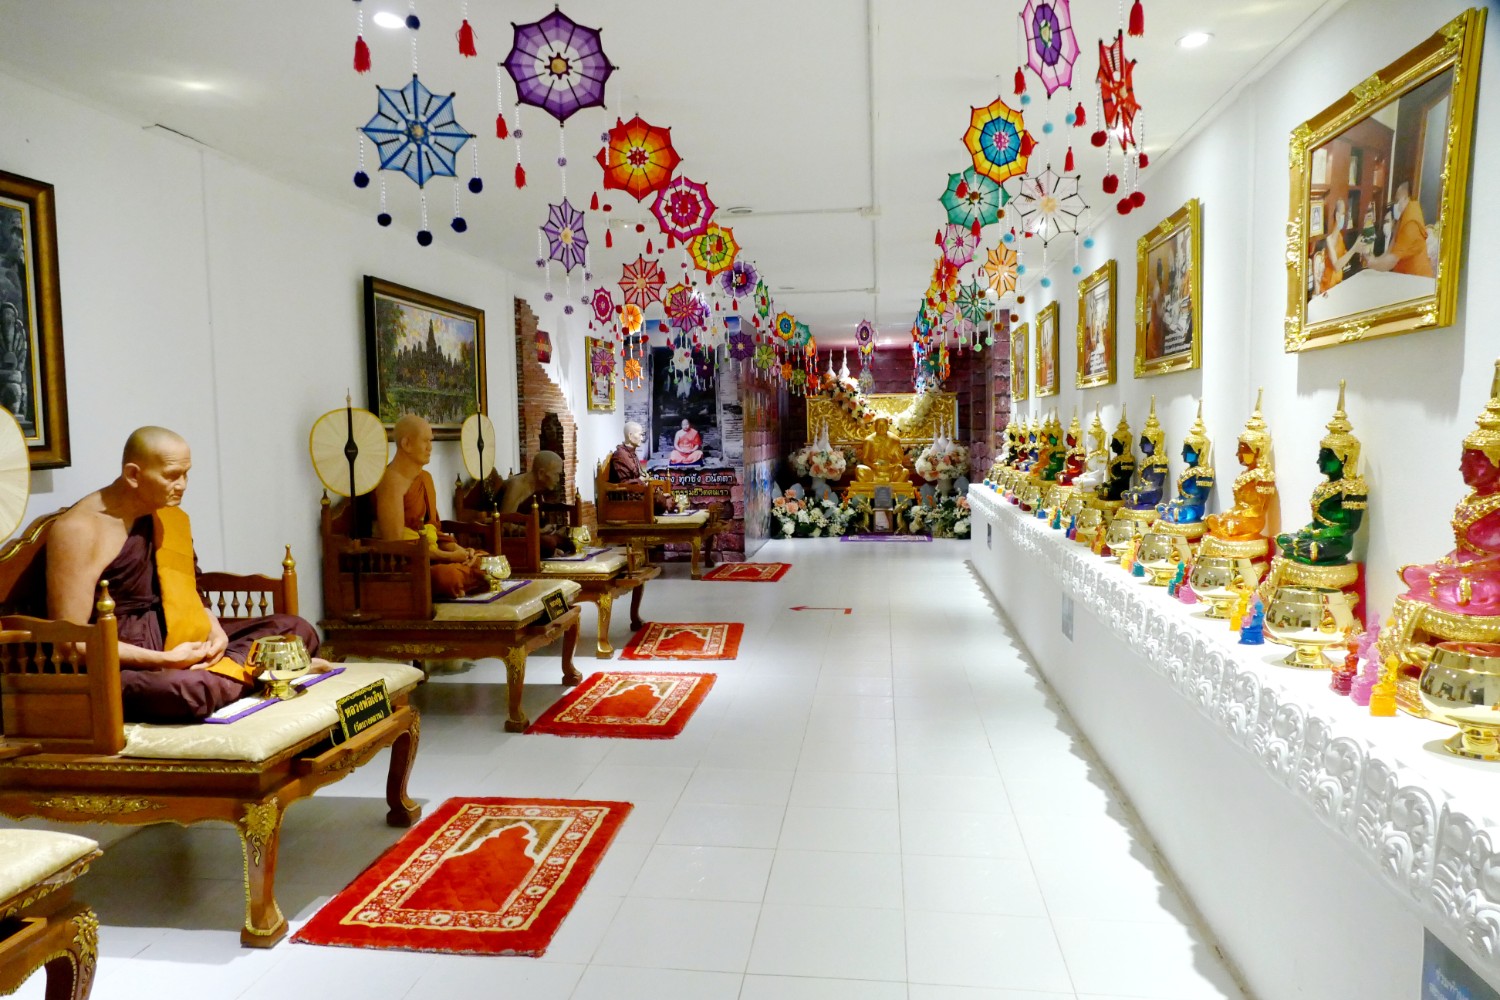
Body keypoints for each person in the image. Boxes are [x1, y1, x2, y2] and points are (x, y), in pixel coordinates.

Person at [46, 426, 326, 724]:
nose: (182, 485)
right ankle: (266, 673)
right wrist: (165, 660)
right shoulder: (79, 530)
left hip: (181, 636)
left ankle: (248, 673)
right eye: (171, 476)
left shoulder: (163, 514)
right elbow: (70, 642)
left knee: (295, 629)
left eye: (186, 474)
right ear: (133, 475)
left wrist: (215, 632)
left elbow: (190, 588)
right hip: (125, 660)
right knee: (188, 690)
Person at [374, 414, 485, 599]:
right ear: (406, 444)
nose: (430, 447)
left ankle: (464, 580)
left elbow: (434, 530)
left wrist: (459, 550)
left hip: (433, 554)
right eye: (425, 441)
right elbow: (396, 545)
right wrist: (448, 557)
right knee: (446, 577)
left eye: (431, 441)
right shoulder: (391, 482)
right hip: (409, 563)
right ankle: (465, 581)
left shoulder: (425, 478)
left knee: (486, 560)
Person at [499, 451, 569, 556]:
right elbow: (504, 525)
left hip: (529, 534)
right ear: (541, 473)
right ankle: (550, 551)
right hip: (510, 539)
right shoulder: (517, 486)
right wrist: (539, 531)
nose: (558, 479)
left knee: (566, 541)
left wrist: (547, 529)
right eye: (556, 474)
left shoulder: (537, 488)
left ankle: (551, 550)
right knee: (548, 543)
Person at [1360, 180, 1433, 277]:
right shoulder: (1403, 216)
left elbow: (1391, 261)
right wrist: (1374, 260)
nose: (1395, 205)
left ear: (1405, 198)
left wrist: (1372, 263)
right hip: (1404, 275)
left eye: (1397, 201)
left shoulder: (1411, 223)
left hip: (1417, 278)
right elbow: (1390, 251)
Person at [608, 421, 675, 513]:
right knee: (661, 501)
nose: (642, 438)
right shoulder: (621, 455)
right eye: (640, 435)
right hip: (628, 496)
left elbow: (638, 475)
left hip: (638, 492)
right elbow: (624, 483)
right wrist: (641, 480)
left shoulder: (631, 453)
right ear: (630, 435)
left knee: (668, 497)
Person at [1317, 199, 1358, 295]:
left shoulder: (1340, 237)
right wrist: (1354, 249)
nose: (1345, 218)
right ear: (1337, 216)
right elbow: (1336, 266)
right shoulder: (1329, 240)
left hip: (1338, 285)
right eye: (1343, 214)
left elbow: (1343, 258)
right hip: (1327, 288)